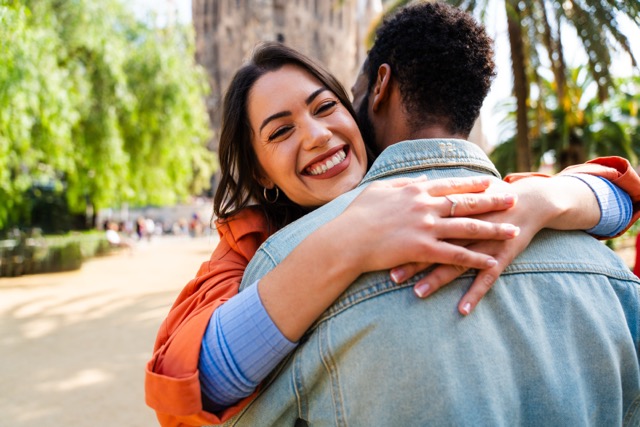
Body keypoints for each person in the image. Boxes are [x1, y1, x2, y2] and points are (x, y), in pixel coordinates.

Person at [145, 40, 640, 427]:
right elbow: (189, 383)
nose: (316, 135)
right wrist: (346, 243)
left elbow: (620, 196)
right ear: (261, 175)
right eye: (280, 131)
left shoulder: (457, 199)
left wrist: (546, 199)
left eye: (324, 108)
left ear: (357, 110)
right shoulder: (249, 252)